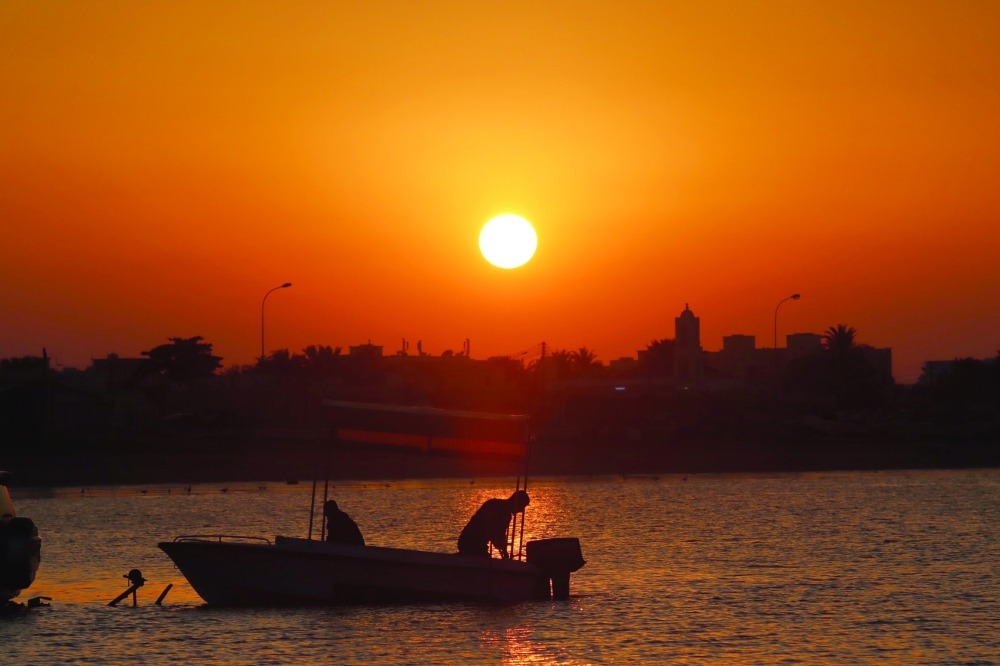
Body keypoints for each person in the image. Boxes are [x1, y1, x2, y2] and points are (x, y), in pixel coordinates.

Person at [457, 490, 529, 558]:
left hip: (480, 544)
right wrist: (495, 542)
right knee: (484, 559)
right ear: (517, 502)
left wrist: (505, 552)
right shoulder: (494, 505)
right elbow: (488, 525)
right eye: (522, 506)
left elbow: (501, 535)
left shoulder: (507, 516)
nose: (522, 510)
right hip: (469, 541)